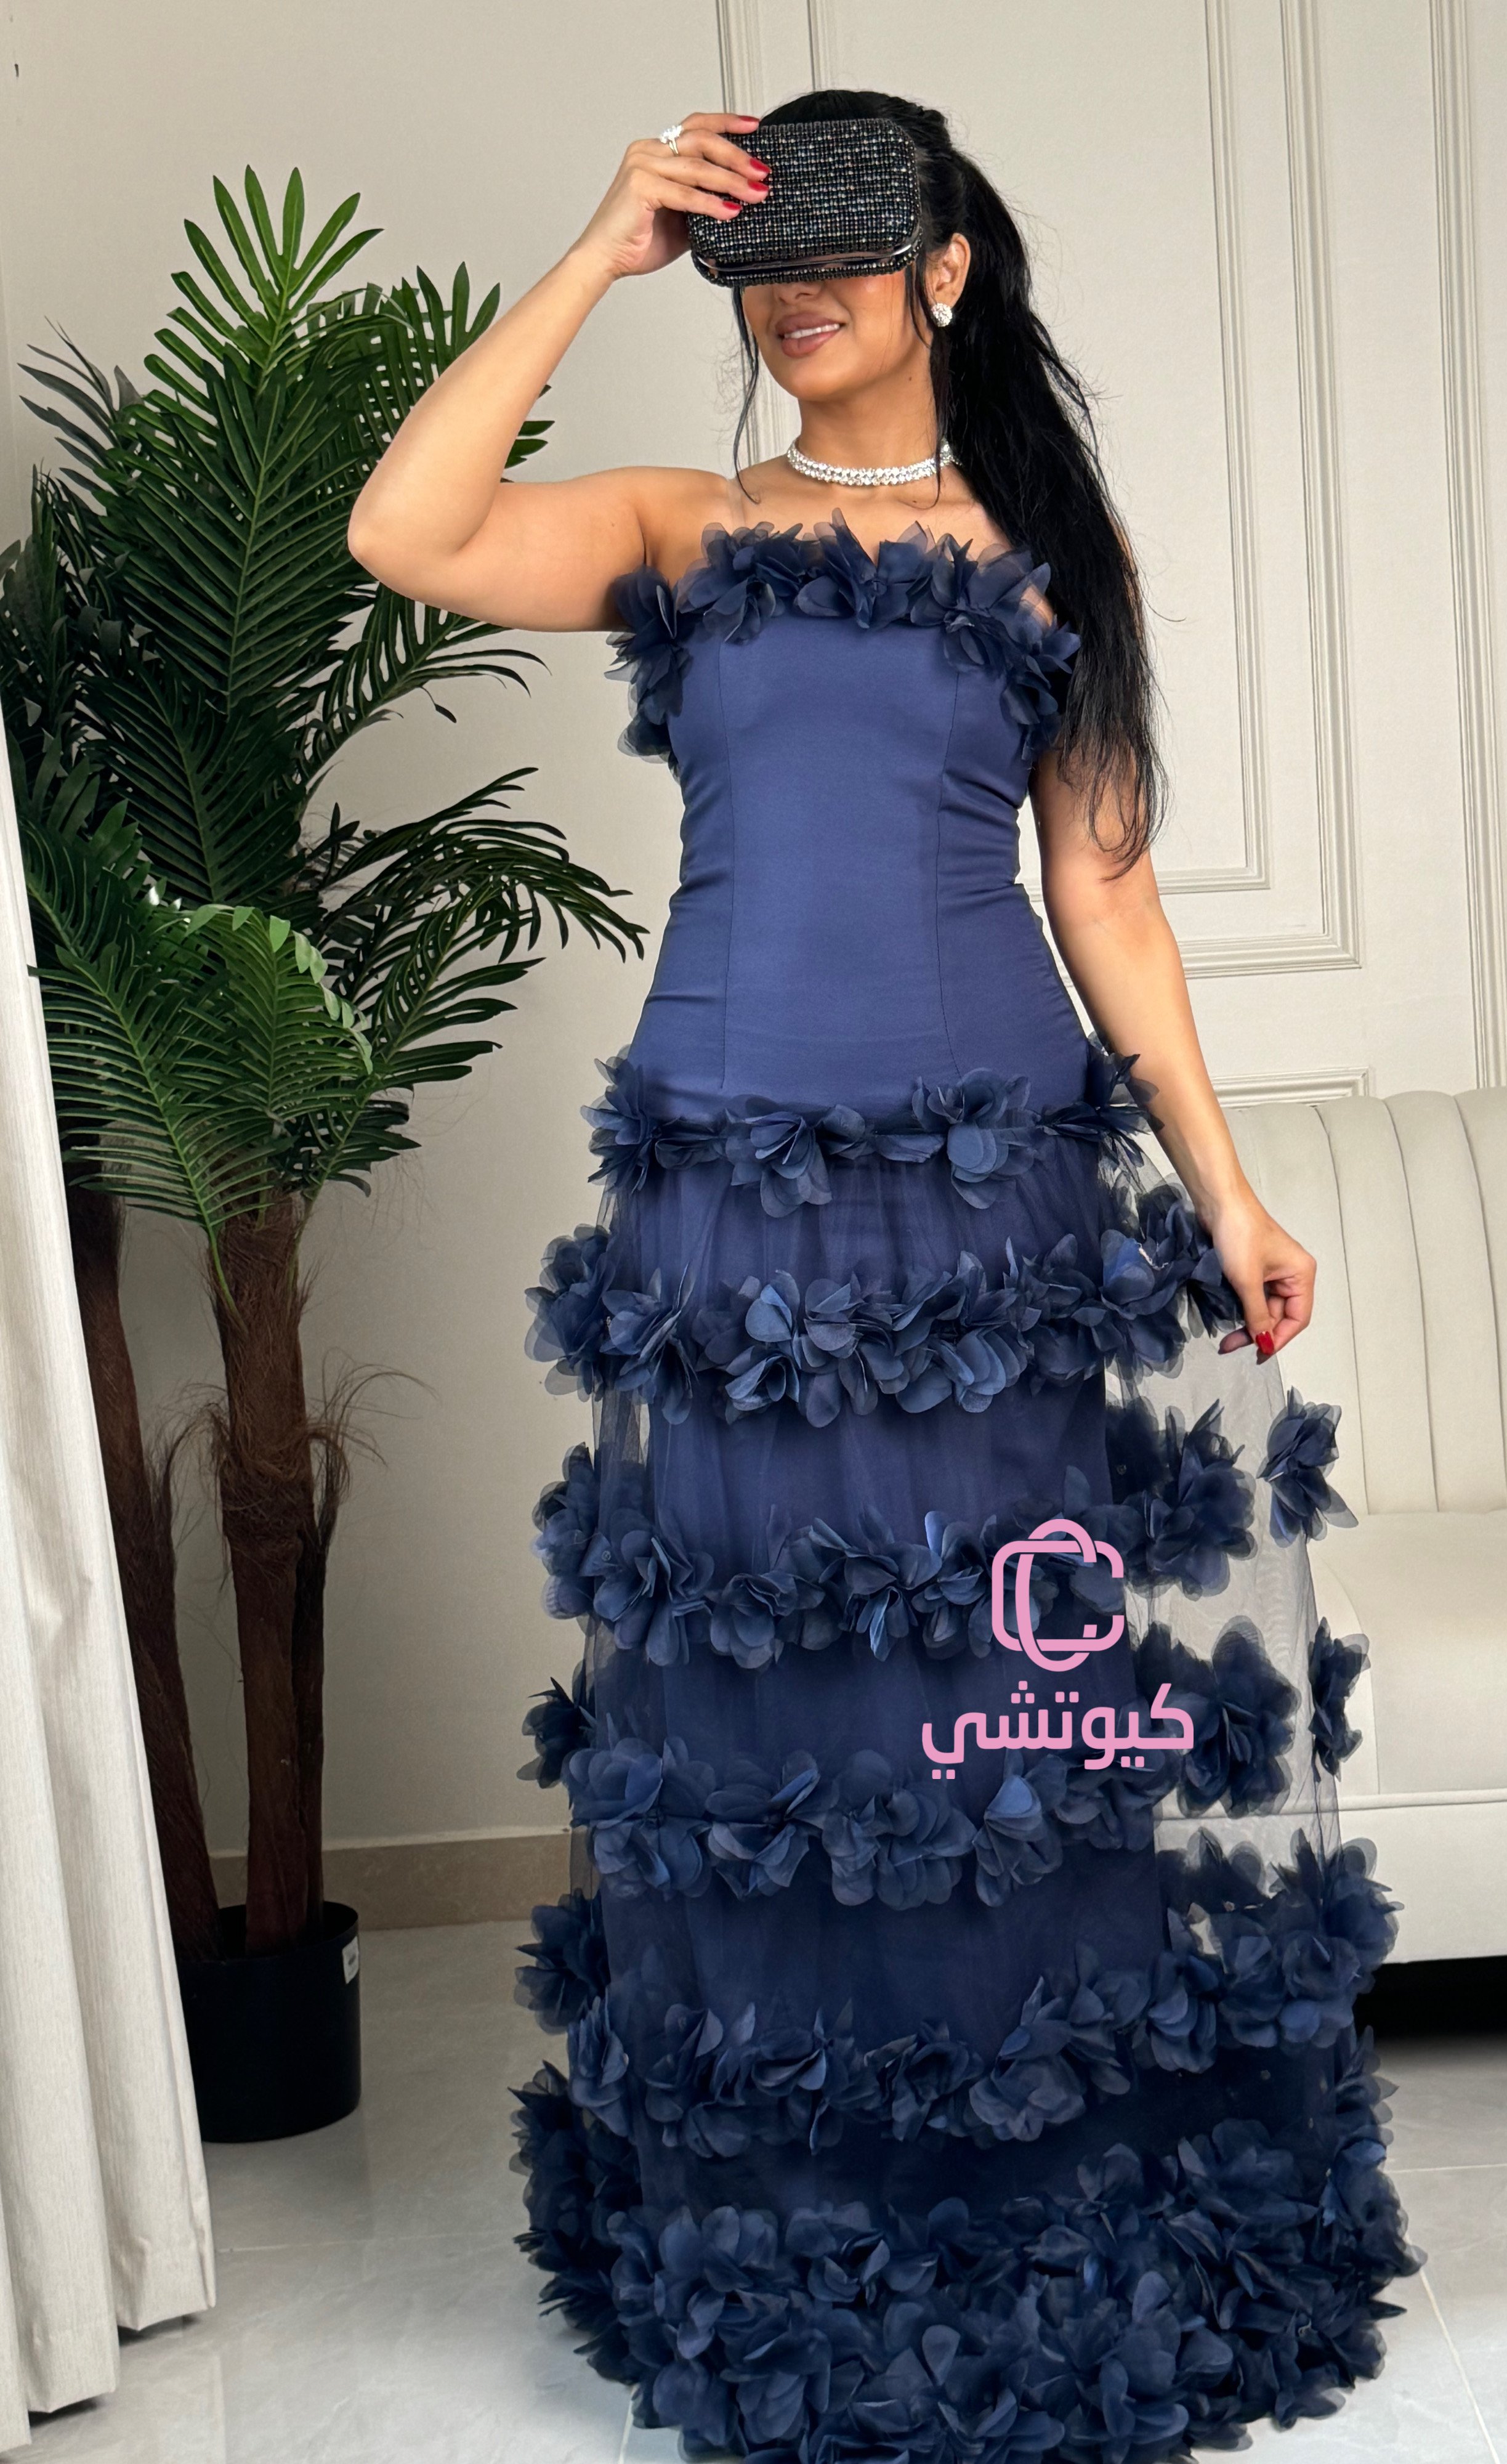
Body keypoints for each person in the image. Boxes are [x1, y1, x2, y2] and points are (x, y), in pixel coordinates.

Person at [349, 87, 1420, 2460]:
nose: (797, 292)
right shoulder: (689, 526)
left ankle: (1025, 2200)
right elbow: (405, 529)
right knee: (768, 1710)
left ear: (945, 271)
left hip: (989, 1189)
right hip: (728, 1183)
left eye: (848, 246)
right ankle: (804, 2223)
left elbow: (1106, 893)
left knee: (992, 1686)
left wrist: (1229, 1190)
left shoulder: (1044, 551)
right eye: (764, 256)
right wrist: (602, 248)